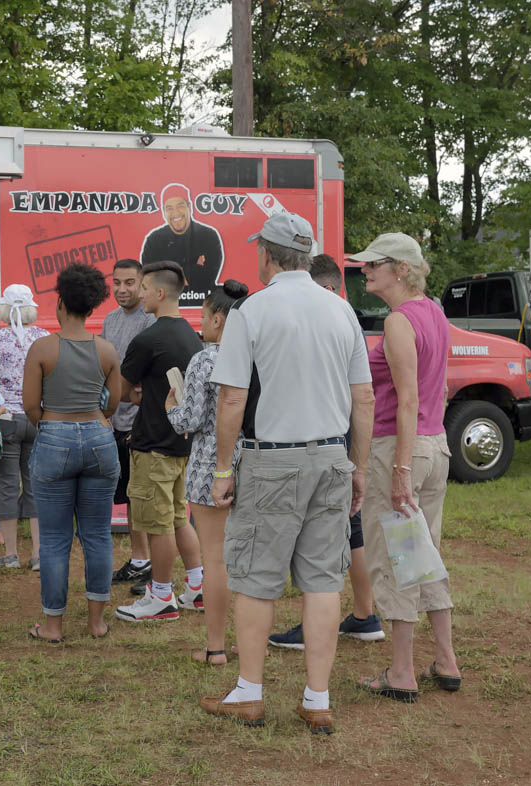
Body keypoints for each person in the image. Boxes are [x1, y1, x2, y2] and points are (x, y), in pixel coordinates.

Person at [205, 211, 374, 735]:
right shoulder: (340, 310)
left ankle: (249, 693)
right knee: (323, 580)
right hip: (331, 456)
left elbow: (232, 397)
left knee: (256, 578)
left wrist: (222, 466)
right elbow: (362, 397)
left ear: (268, 254)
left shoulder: (253, 310)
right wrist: (360, 466)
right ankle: (316, 698)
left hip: (272, 458)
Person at [350, 233, 460, 702]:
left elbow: (408, 398)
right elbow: (442, 387)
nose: (364, 270)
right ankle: (446, 660)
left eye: (373, 264)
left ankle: (401, 672)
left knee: (397, 559)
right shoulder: (433, 312)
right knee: (424, 555)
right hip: (435, 446)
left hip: (403, 448)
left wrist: (398, 470)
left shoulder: (398, 321)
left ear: (399, 268)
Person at [269, 254, 385, 649]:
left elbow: (362, 395)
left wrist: (359, 462)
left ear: (331, 288)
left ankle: (320, 625)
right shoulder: (342, 321)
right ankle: (366, 615)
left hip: (331, 441)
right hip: (344, 440)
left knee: (319, 542)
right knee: (351, 533)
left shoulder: (332, 320)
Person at [23, 263, 122, 641]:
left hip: (54, 436)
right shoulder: (107, 350)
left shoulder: (43, 348)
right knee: (97, 534)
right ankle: (96, 623)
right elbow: (113, 402)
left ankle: (52, 625)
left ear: (61, 302)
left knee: (53, 539)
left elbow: (31, 405)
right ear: (93, 306)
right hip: (99, 436)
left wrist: (53, 425)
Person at [113, 260, 205, 623]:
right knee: (180, 517)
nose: (139, 294)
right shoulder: (190, 334)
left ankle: (161, 595)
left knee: (158, 524)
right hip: (182, 440)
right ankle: (196, 587)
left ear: (160, 293)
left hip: (152, 442)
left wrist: (132, 394)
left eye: (144, 288)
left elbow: (120, 392)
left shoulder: (147, 338)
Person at [165, 280, 248, 664]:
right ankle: (246, 642)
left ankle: (215, 646)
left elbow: (193, 418)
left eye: (203, 317)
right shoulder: (255, 351)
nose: (201, 325)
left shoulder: (205, 358)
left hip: (209, 466)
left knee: (215, 559)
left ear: (218, 317)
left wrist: (172, 407)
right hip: (252, 462)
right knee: (246, 560)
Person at [0, 284, 50, 570]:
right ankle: (38, 553)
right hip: (38, 416)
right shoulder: (45, 338)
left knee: (6, 485)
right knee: (35, 485)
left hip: (5, 419)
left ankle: (10, 554)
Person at [100, 259, 155, 591]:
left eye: (130, 283)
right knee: (131, 498)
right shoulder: (109, 320)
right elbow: (106, 369)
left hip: (142, 424)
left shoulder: (150, 320)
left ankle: (154, 568)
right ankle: (139, 561)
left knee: (147, 500)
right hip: (115, 422)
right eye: (117, 282)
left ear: (143, 283)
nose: (122, 289)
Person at [140, 183, 224, 301]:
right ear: (163, 211)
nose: (176, 213)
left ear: (189, 207)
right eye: (169, 208)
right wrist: (195, 267)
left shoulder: (209, 236)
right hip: (164, 306)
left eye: (180, 206)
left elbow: (207, 279)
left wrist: (168, 273)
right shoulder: (154, 240)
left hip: (201, 304)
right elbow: (150, 280)